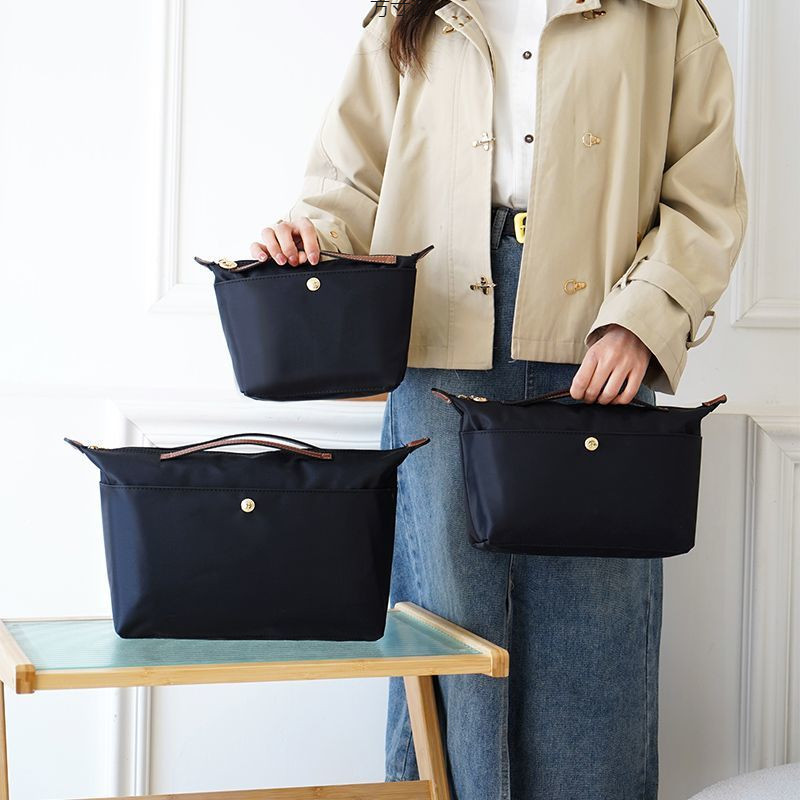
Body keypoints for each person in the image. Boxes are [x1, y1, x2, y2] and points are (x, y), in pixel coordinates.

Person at [251, 1, 748, 797]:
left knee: (598, 642)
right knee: (445, 632)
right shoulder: (412, 11)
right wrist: (309, 237)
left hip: (600, 341)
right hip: (437, 334)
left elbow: (705, 192)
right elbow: (348, 179)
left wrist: (646, 317)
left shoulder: (664, 13)